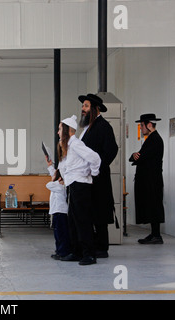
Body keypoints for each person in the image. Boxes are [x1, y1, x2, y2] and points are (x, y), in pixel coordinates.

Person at [78, 93, 118, 258]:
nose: (83, 109)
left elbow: (111, 150)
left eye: (86, 106)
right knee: (93, 211)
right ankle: (95, 244)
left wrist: (97, 168)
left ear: (95, 109)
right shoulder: (89, 127)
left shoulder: (103, 126)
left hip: (98, 177)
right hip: (89, 177)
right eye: (83, 106)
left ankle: (102, 247)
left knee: (100, 212)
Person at [59, 115, 101, 265]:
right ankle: (77, 252)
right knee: (73, 221)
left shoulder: (76, 144)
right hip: (74, 185)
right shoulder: (69, 146)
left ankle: (89, 254)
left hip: (80, 185)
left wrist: (93, 173)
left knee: (83, 221)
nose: (58, 132)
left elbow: (95, 158)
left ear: (67, 130)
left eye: (59, 129)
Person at [129, 113, 165, 244]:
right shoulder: (151, 139)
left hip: (152, 180)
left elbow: (141, 156)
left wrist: (134, 156)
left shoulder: (154, 139)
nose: (141, 128)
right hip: (149, 179)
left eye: (142, 126)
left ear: (149, 125)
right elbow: (137, 156)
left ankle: (156, 235)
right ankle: (154, 233)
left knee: (154, 205)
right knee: (151, 205)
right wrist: (134, 156)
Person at [46, 165, 70, 260]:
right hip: (58, 212)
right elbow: (54, 175)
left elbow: (48, 184)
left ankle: (62, 252)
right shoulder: (59, 186)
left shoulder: (59, 187)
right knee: (58, 233)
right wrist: (50, 166)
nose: (52, 177)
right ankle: (59, 251)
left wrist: (58, 180)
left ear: (59, 178)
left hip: (60, 212)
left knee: (61, 234)